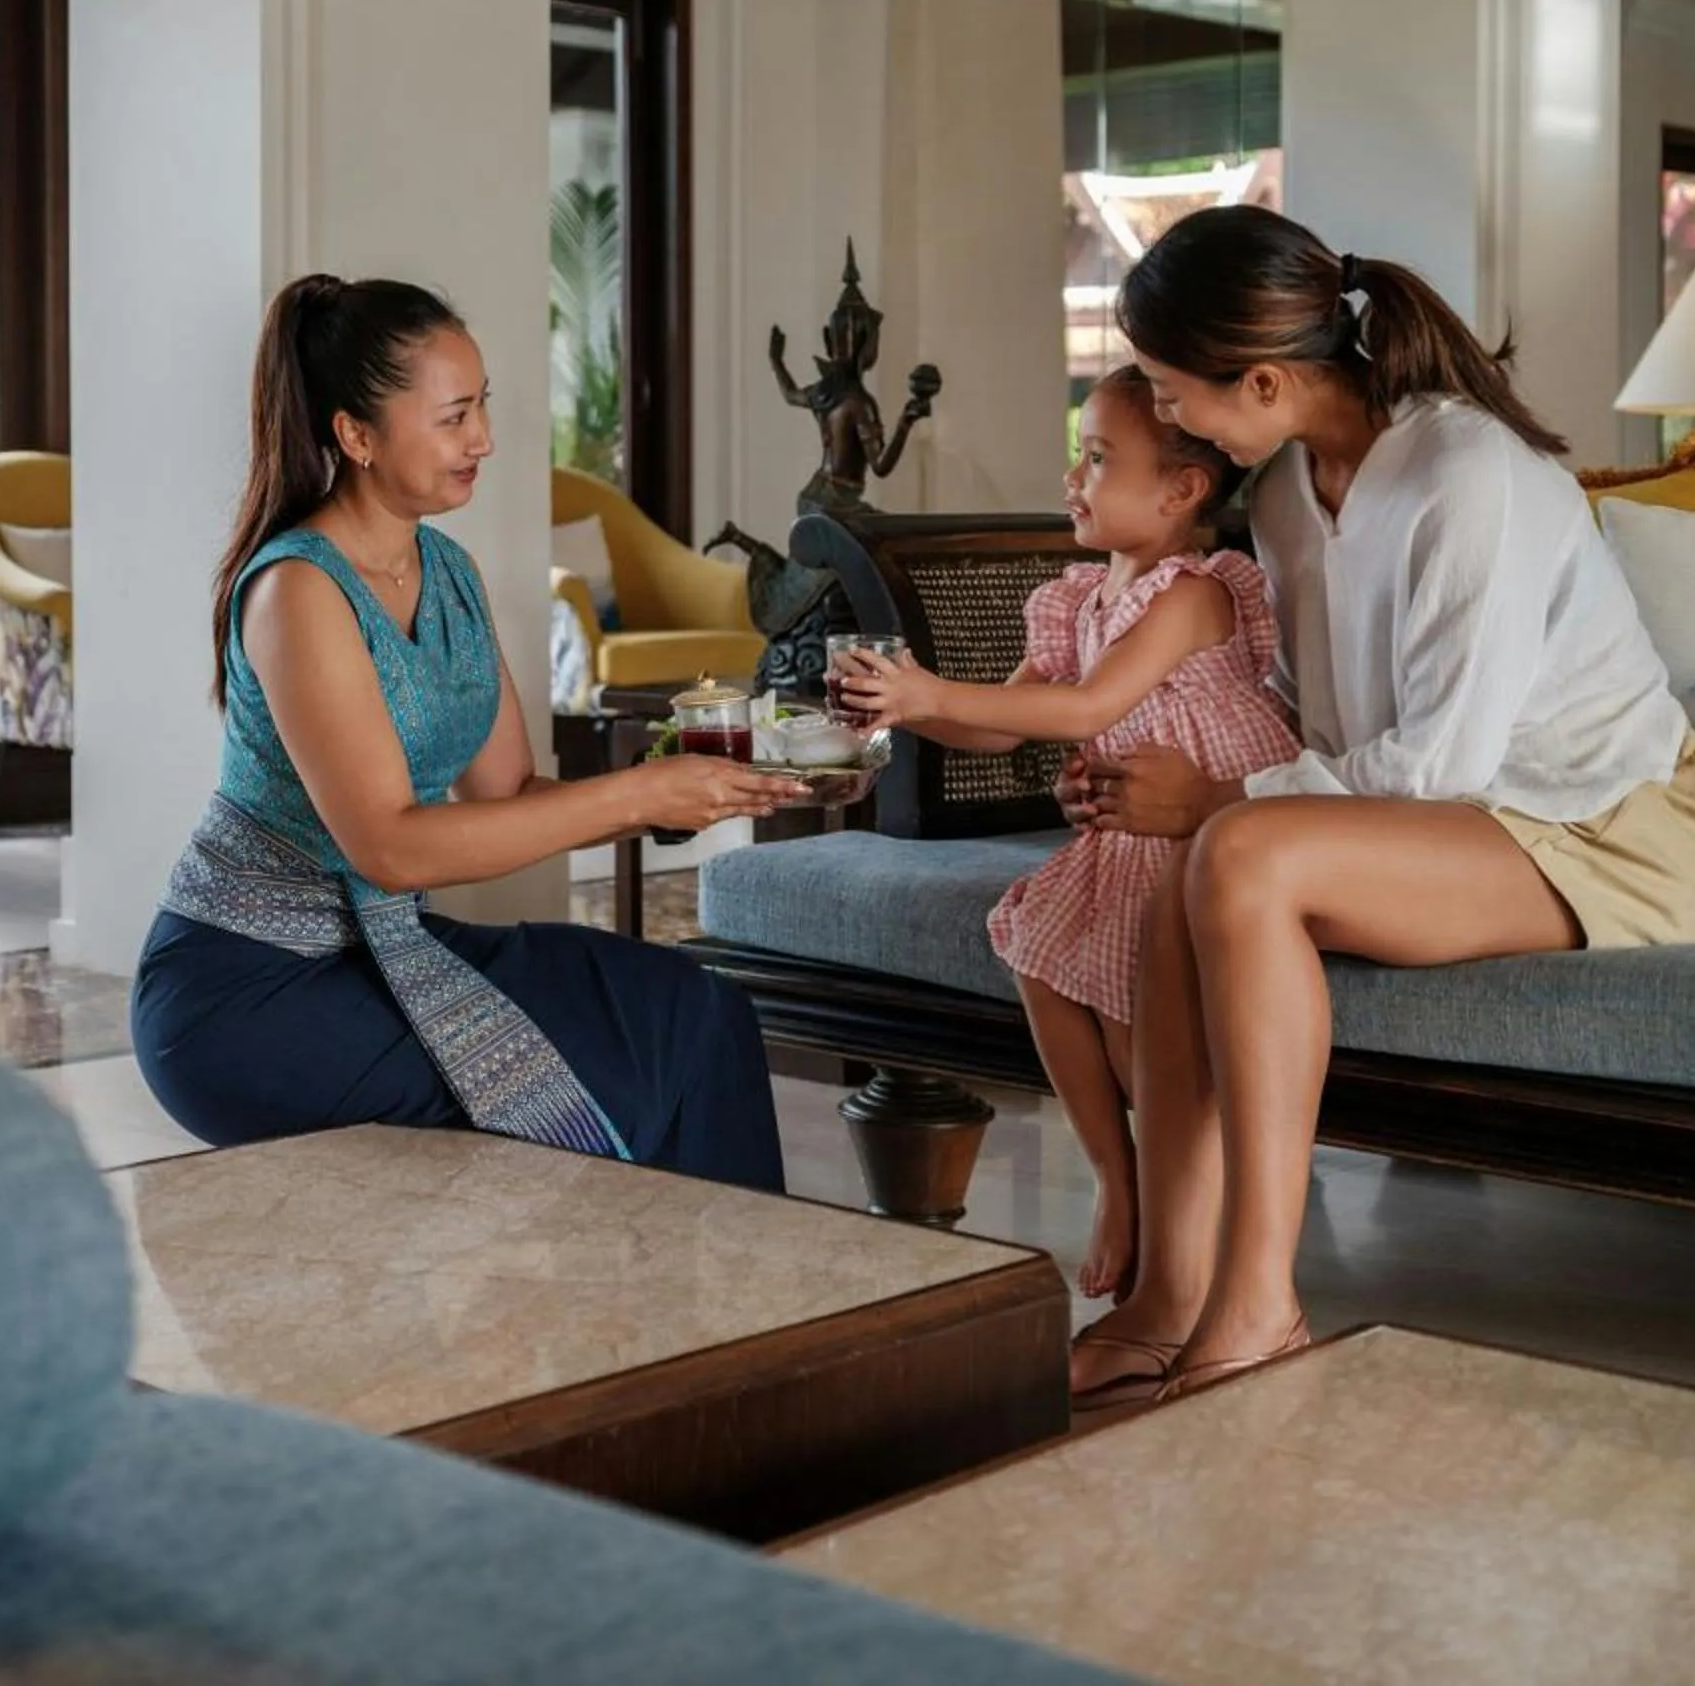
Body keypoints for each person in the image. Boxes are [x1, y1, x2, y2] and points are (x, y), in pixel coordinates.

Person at [1058, 205, 1695, 1408]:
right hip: (1462, 811)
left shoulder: (1469, 473)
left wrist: (1218, 795)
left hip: (1609, 824)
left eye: (1172, 392)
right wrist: (1161, 767)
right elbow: (1309, 708)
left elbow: (1442, 759)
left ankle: (1259, 1306)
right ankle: (1167, 1298)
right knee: (1193, 862)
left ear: (1263, 380)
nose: (1169, 417)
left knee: (1239, 849)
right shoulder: (1287, 494)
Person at [131, 273, 791, 1191]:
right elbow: (393, 848)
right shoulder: (297, 591)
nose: (483, 439)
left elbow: (507, 794)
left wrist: (679, 788)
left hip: (387, 952)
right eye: (453, 417)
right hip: (245, 989)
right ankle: (630, 1273)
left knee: (694, 1011)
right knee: (578, 1093)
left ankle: (743, 1278)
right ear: (356, 435)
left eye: (483, 407)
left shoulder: (447, 570)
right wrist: (636, 793)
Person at [835, 364, 1298, 1303]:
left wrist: (928, 690)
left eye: (1097, 459)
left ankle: (1177, 1224)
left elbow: (1090, 706)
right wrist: (906, 706)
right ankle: (1116, 1180)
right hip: (1125, 829)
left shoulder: (1194, 593)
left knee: (1137, 1025)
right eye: (1079, 457)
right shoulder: (1078, 597)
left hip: (1201, 833)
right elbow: (1003, 726)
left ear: (1181, 490)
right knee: (1035, 949)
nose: (1072, 478)